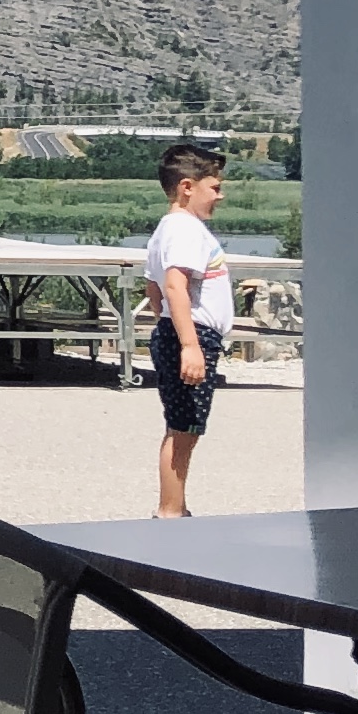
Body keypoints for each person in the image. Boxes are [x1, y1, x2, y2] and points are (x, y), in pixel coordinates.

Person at [141, 141, 229, 517]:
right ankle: (170, 512)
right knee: (183, 429)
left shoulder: (167, 229)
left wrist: (166, 324)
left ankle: (177, 508)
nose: (219, 196)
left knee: (186, 427)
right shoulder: (185, 229)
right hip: (192, 335)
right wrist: (189, 345)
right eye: (215, 187)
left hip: (181, 333)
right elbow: (174, 285)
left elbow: (153, 288)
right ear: (187, 187)